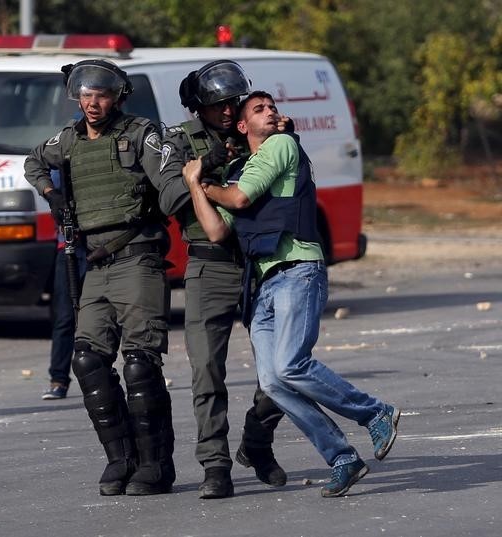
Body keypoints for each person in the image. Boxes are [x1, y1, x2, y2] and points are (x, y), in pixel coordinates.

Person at [185, 91, 401, 497]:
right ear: (242, 126)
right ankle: (342, 458)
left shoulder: (280, 145)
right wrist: (196, 185)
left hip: (298, 269)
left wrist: (203, 184)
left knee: (289, 366)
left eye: (272, 107)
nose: (271, 113)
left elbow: (239, 198)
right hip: (264, 284)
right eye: (259, 110)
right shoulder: (238, 168)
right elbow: (216, 230)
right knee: (275, 384)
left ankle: (376, 412)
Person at [24, 59, 175, 496]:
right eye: (85, 96)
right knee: (88, 360)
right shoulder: (68, 139)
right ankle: (121, 460)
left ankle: (155, 466)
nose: (92, 104)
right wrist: (52, 196)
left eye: (101, 95)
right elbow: (34, 162)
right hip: (95, 264)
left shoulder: (140, 133)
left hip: (137, 258)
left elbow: (168, 182)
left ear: (118, 97)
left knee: (140, 365)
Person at [158, 60, 287, 499]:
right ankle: (215, 463)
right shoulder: (179, 140)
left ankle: (257, 442)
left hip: (257, 261)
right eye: (217, 106)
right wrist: (210, 164)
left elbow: (289, 171)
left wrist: (283, 134)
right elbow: (171, 196)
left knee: (282, 368)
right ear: (199, 108)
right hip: (209, 263)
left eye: (233, 103)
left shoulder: (255, 134)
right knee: (206, 371)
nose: (228, 112)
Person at [42, 170, 86, 400]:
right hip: (68, 250)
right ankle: (58, 379)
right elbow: (50, 193)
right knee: (64, 319)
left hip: (99, 247)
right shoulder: (62, 158)